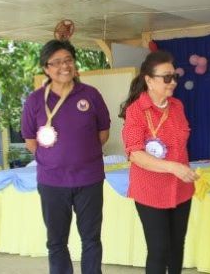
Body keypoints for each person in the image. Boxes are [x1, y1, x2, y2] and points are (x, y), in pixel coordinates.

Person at [21, 39, 111, 274]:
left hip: (89, 179)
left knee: (91, 239)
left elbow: (103, 132)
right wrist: (55, 159)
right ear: (46, 68)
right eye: (57, 62)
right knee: (56, 242)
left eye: (68, 60)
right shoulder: (35, 100)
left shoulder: (90, 95)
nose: (64, 66)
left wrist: (82, 154)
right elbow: (31, 140)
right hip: (52, 181)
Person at [120, 51, 198, 274]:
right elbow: (135, 153)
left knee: (176, 246)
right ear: (148, 80)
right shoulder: (135, 111)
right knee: (158, 249)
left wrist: (180, 169)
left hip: (181, 189)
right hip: (151, 191)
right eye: (166, 77)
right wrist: (173, 167)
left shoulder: (177, 106)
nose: (172, 82)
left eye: (174, 77)